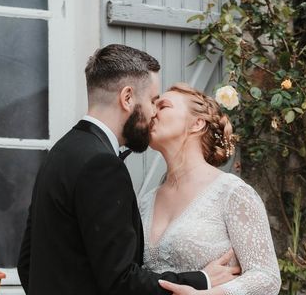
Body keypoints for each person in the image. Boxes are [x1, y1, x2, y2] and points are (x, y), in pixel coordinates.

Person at [17, 45, 239, 295]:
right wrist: (200, 280)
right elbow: (120, 281)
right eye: (154, 101)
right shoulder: (102, 165)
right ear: (127, 98)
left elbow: (27, 265)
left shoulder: (60, 152)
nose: (155, 112)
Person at [139, 83, 281, 295]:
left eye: (163, 106)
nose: (152, 113)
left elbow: (266, 277)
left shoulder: (232, 193)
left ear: (197, 123)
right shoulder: (144, 202)